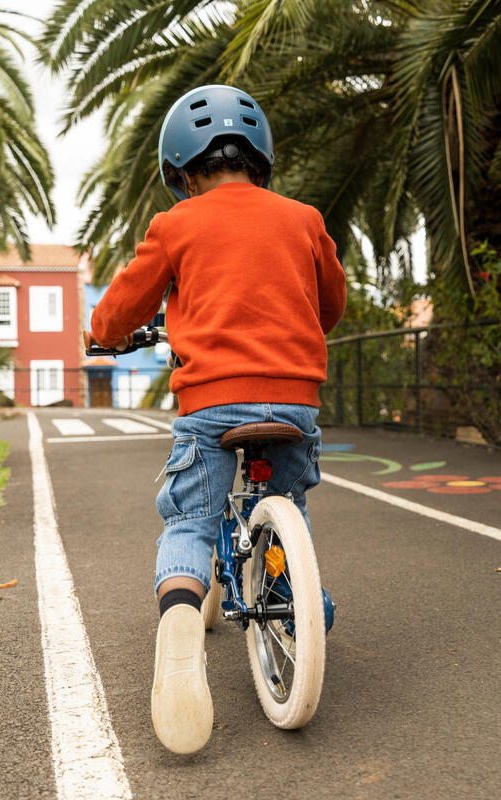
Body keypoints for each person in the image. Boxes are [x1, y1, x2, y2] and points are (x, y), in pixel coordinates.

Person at [87, 84, 346, 754]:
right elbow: (330, 304)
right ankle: (305, 609)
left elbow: (118, 312)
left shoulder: (175, 226)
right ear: (261, 158)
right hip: (295, 399)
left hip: (210, 404)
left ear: (181, 169)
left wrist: (107, 334)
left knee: (191, 521)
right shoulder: (305, 219)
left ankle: (177, 629)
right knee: (286, 501)